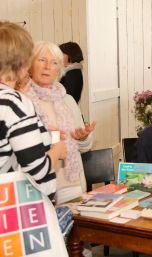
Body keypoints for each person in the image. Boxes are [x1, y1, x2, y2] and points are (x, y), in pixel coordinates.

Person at [0, 21, 67, 199]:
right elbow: (38, 171)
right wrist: (58, 150)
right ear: (23, 63)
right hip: (20, 213)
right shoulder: (15, 104)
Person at [26, 41, 96, 204]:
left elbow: (85, 147)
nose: (47, 66)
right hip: (38, 189)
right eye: (42, 60)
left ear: (59, 69)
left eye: (54, 62)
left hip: (73, 184)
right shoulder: (24, 101)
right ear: (30, 65)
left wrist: (82, 137)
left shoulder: (68, 100)